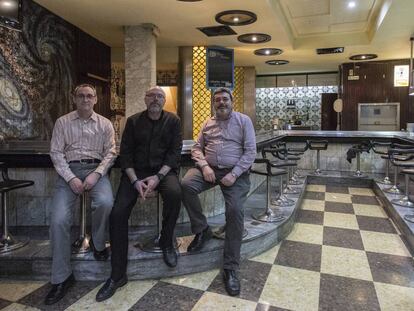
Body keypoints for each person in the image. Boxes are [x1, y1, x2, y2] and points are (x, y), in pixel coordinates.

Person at [96, 86, 182, 302]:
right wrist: (135, 181)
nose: (155, 99)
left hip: (163, 172)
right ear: (145, 99)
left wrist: (157, 178)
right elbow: (125, 155)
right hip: (134, 174)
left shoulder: (173, 121)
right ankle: (118, 275)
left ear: (164, 101)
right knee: (117, 213)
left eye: (160, 96)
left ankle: (166, 241)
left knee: (174, 193)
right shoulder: (133, 121)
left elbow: (174, 154)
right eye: (151, 95)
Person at [45, 84, 117, 305]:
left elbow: (111, 152)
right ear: (73, 99)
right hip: (69, 172)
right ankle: (62, 277)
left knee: (106, 202)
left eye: (89, 96)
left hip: (97, 171)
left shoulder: (105, 124)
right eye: (81, 96)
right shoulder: (62, 122)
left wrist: (96, 174)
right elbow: (56, 153)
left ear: (95, 99)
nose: (85, 99)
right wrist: (70, 178)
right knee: (57, 220)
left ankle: (97, 243)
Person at [181, 87, 256, 296]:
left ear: (232, 101)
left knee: (234, 212)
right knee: (186, 185)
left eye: (225, 99)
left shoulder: (243, 121)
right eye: (218, 100)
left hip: (236, 173)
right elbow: (196, 148)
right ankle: (202, 229)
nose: (221, 102)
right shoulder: (207, 123)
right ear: (214, 103)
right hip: (210, 169)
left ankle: (231, 268)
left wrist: (235, 173)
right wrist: (204, 166)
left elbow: (251, 151)